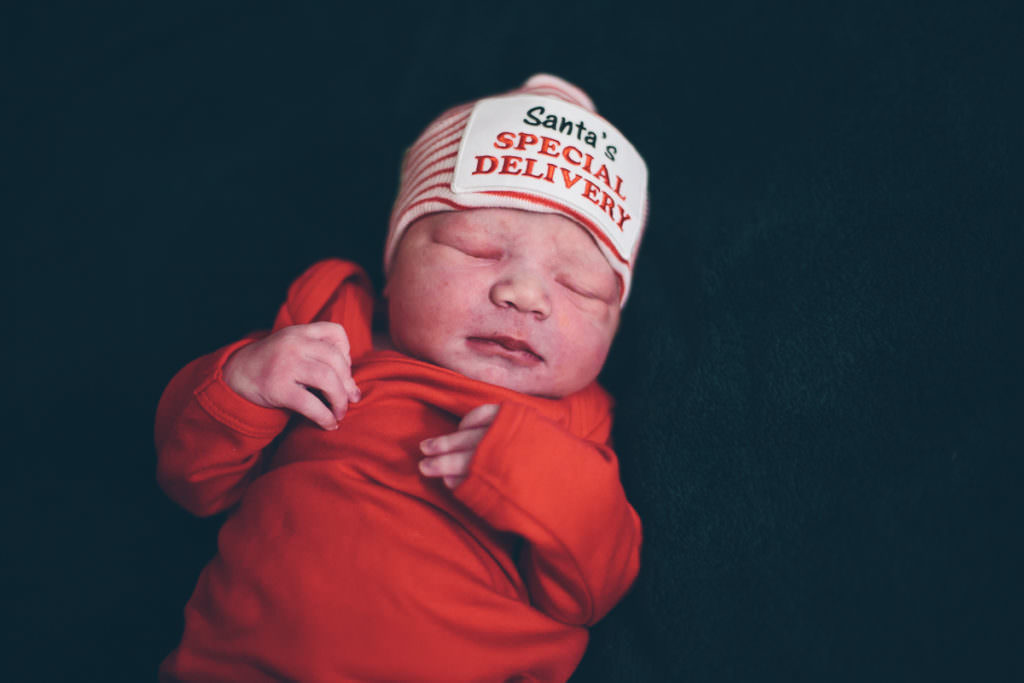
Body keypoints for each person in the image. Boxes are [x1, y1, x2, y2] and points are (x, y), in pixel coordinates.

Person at [156, 73, 649, 682]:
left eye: (579, 285)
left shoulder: (577, 417)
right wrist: (241, 383)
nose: (524, 295)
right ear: (394, 265)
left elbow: (597, 585)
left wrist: (536, 469)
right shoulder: (334, 329)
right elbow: (190, 479)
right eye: (476, 249)